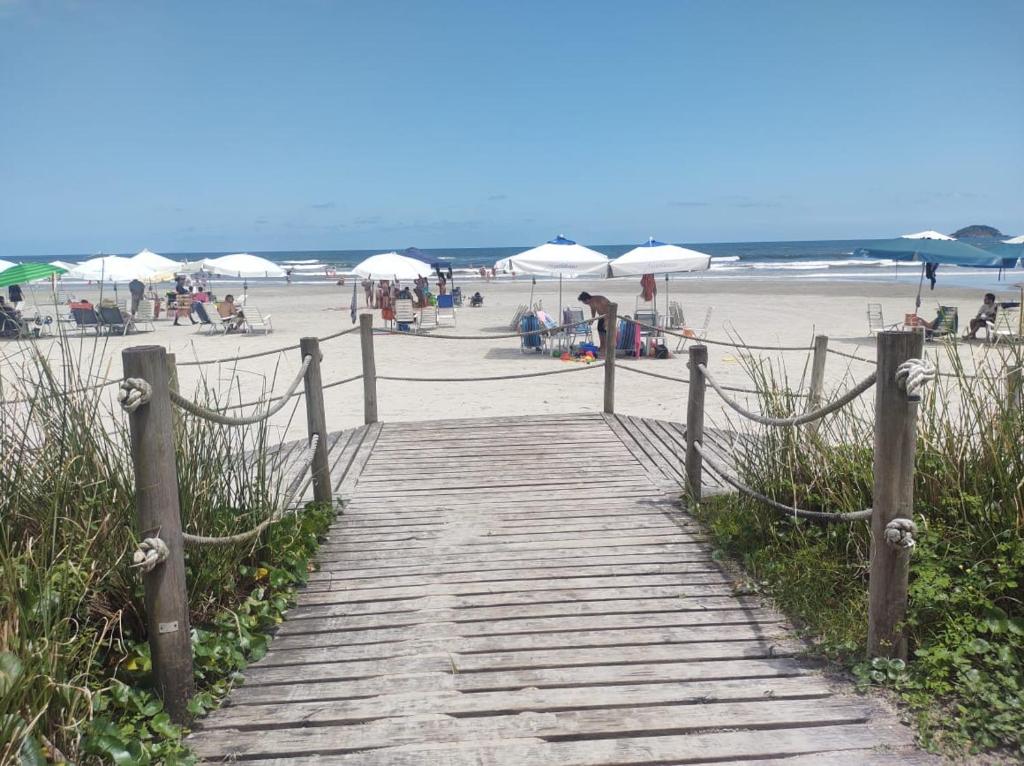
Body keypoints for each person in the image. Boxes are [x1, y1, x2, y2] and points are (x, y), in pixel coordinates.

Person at [578, 292, 612, 358]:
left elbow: (608, 309)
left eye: (584, 302)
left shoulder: (599, 299)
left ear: (587, 299)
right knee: (600, 331)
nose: (585, 304)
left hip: (609, 317)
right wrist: (592, 319)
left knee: (605, 333)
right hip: (601, 317)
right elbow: (593, 309)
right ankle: (602, 346)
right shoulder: (591, 302)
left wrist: (606, 320)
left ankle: (605, 349)